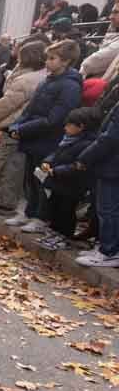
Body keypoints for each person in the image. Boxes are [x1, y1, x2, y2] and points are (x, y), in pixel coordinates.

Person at [4, 38, 83, 233]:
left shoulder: (70, 86)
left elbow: (54, 119)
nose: (47, 62)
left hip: (49, 140)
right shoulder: (48, 80)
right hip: (33, 137)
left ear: (65, 61)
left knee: (42, 180)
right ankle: (29, 212)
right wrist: (17, 125)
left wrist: (22, 129)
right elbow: (30, 109)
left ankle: (41, 217)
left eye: (52, 58)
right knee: (30, 178)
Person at [0, 41, 47, 216]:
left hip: (13, 126)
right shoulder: (40, 76)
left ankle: (4, 203)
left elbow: (7, 104)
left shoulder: (25, 80)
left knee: (8, 166)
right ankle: (5, 201)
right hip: (23, 126)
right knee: (14, 167)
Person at [38, 106, 101, 250]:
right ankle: (54, 232)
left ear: (81, 127)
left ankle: (64, 235)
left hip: (73, 184)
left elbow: (78, 166)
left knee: (66, 210)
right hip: (58, 181)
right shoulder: (68, 139)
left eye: (69, 124)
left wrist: (57, 171)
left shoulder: (87, 144)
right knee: (55, 206)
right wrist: (47, 162)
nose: (65, 127)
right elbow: (56, 153)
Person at [74, 94, 119, 267]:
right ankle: (108, 248)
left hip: (113, 164)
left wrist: (86, 157)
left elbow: (110, 137)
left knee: (108, 210)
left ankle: (109, 251)